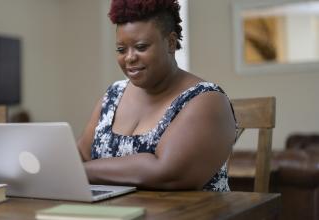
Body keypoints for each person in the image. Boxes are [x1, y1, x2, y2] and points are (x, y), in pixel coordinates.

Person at [77, 0, 236, 191]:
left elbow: (166, 172)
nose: (129, 57)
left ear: (170, 42)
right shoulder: (113, 94)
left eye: (141, 47)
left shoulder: (206, 99)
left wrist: (79, 172)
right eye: (121, 49)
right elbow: (82, 155)